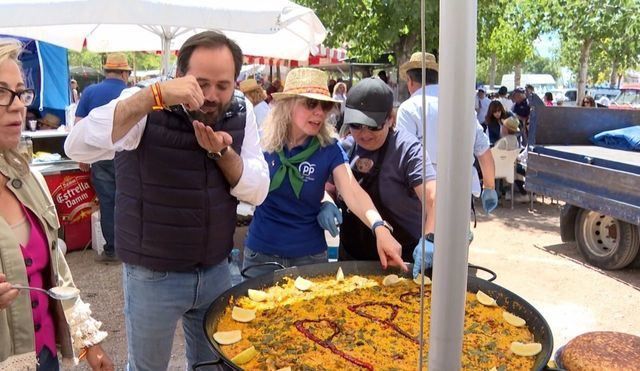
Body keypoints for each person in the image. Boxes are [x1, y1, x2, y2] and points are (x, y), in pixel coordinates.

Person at [64, 31, 270, 370]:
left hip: (216, 269)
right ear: (180, 76)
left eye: (223, 85)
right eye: (201, 83)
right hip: (152, 275)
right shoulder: (142, 102)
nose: (211, 96)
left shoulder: (241, 109)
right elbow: (77, 145)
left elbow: (257, 190)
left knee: (213, 366)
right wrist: (153, 96)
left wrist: (221, 152)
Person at [0, 37, 113, 371]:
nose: (18, 105)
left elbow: (58, 270)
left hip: (45, 356)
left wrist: (88, 341)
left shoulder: (29, 179)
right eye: (1, 92)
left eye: (20, 92)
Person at [243, 68, 406, 277]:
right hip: (260, 256)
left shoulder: (329, 148)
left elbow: (352, 192)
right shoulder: (262, 143)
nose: (319, 112)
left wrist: (379, 227)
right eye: (311, 104)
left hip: (309, 258)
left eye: (325, 105)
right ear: (288, 104)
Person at [319, 78, 436, 274]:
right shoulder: (345, 148)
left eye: (373, 126)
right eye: (356, 125)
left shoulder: (407, 150)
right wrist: (327, 202)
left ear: (390, 119)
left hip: (401, 260)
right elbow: (328, 189)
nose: (364, 134)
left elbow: (433, 198)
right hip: (352, 258)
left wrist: (430, 239)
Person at [395, 52, 498, 215]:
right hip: (461, 192)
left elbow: (404, 156)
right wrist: (490, 187)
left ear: (410, 80)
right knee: (458, 240)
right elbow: (483, 151)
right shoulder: (462, 107)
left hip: (423, 195)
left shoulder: (409, 108)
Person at [74, 53, 132, 263]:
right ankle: (130, 248)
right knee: (129, 202)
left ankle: (112, 249)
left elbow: (79, 124)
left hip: (99, 156)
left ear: (107, 71)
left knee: (107, 202)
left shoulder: (90, 91)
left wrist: (83, 157)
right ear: (125, 73)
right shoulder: (130, 92)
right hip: (128, 157)